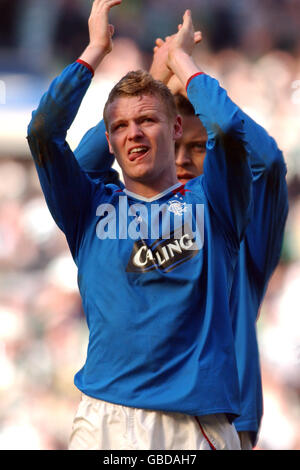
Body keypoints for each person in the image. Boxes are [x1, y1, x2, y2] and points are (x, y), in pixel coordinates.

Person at [27, 0, 253, 450]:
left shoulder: (214, 202)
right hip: (102, 416)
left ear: (175, 129)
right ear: (109, 141)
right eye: (122, 128)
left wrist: (181, 63)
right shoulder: (87, 206)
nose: (133, 134)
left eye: (148, 121)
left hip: (190, 423)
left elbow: (228, 127)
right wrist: (94, 52)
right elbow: (44, 132)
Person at [74, 32, 289, 449]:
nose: (183, 159)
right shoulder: (128, 219)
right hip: (134, 418)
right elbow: (83, 167)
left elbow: (267, 160)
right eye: (175, 146)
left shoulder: (237, 223)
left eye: (198, 147)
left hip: (216, 418)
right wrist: (152, 84)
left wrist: (189, 74)